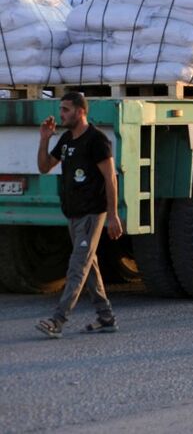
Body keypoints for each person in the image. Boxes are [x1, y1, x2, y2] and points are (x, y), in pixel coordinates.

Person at [35, 92, 123, 338]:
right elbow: (43, 167)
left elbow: (110, 179)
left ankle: (58, 320)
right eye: (61, 109)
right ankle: (106, 318)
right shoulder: (66, 140)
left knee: (77, 267)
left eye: (66, 110)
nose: (61, 114)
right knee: (89, 267)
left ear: (80, 111)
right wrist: (44, 139)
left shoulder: (97, 140)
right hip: (73, 216)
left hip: (93, 214)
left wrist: (113, 215)